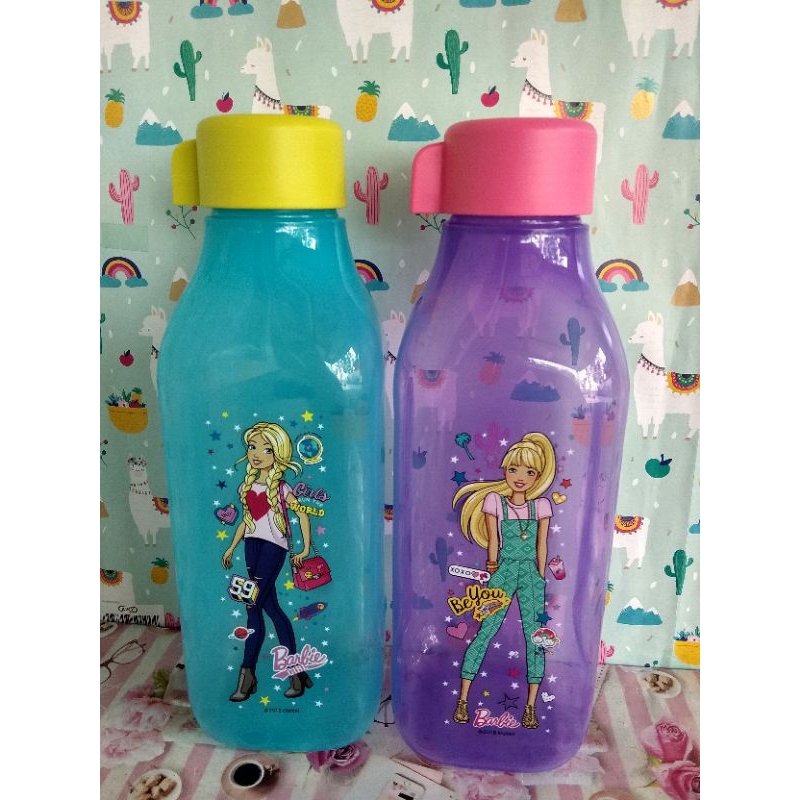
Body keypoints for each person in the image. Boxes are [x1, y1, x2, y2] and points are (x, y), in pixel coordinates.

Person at [451, 432, 556, 729]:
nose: (520, 477)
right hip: (504, 570)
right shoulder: (495, 502)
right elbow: (493, 541)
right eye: (514, 469)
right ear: (505, 470)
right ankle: (462, 700)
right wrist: (493, 567)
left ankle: (531, 706)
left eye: (529, 472)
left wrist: (540, 575)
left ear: (538, 476)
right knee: (486, 630)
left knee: (535, 638)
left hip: (531, 574)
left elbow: (542, 544)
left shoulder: (541, 506)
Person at [222, 422, 312, 702]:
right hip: (251, 546)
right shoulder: (247, 485)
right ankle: (297, 670)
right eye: (252, 447)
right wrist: (231, 547)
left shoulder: (282, 488)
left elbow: (302, 515)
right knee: (271, 609)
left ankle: (247, 676)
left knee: (252, 607)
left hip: (274, 548)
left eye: (266, 449)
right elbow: (246, 522)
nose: (257, 453)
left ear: (278, 453)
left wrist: (305, 548)